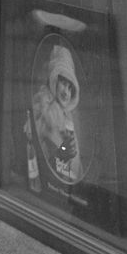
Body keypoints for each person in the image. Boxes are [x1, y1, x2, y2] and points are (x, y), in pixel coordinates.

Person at [32, 43, 82, 183]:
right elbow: (41, 163)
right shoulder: (42, 108)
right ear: (54, 80)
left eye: (70, 87)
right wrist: (64, 152)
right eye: (63, 83)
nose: (66, 92)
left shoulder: (67, 115)